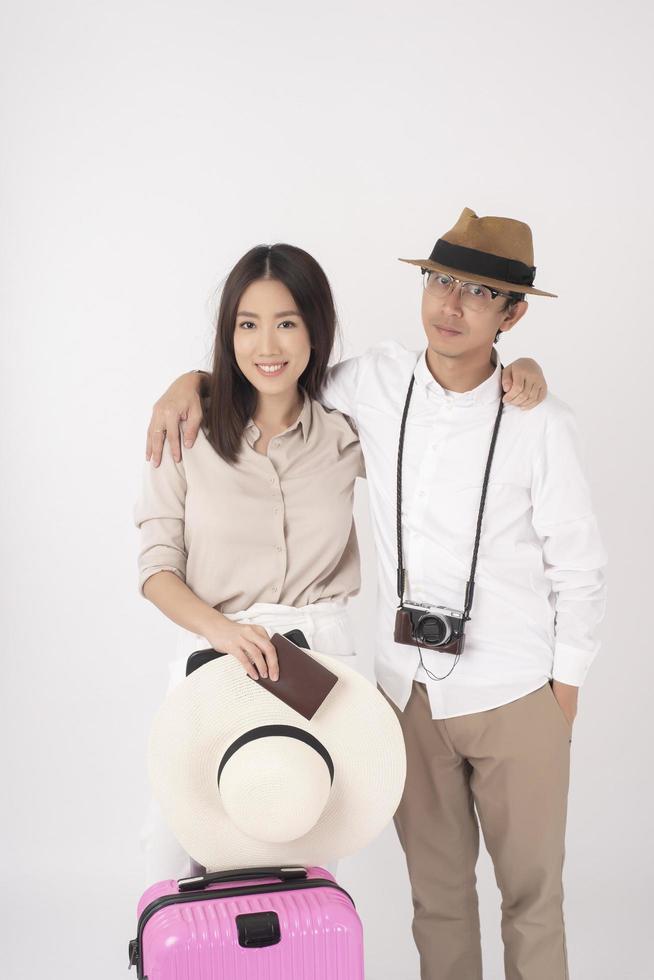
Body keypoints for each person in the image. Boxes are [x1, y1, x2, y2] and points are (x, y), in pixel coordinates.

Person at [146, 208, 604, 980]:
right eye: (440, 281)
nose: (451, 305)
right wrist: (186, 380)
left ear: (513, 313)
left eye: (478, 293)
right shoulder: (371, 384)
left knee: (533, 900)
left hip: (517, 689)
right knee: (439, 899)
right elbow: (270, 370)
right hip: (404, 694)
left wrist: (563, 693)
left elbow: (580, 568)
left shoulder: (541, 422)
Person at [135, 242, 366, 881]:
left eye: (287, 322)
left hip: (317, 670)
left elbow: (434, 429)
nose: (268, 343)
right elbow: (157, 567)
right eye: (248, 323)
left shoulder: (349, 434)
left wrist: (520, 366)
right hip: (214, 661)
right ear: (227, 333)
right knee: (179, 850)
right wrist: (224, 631)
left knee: (302, 858)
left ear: (316, 331)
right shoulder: (184, 429)